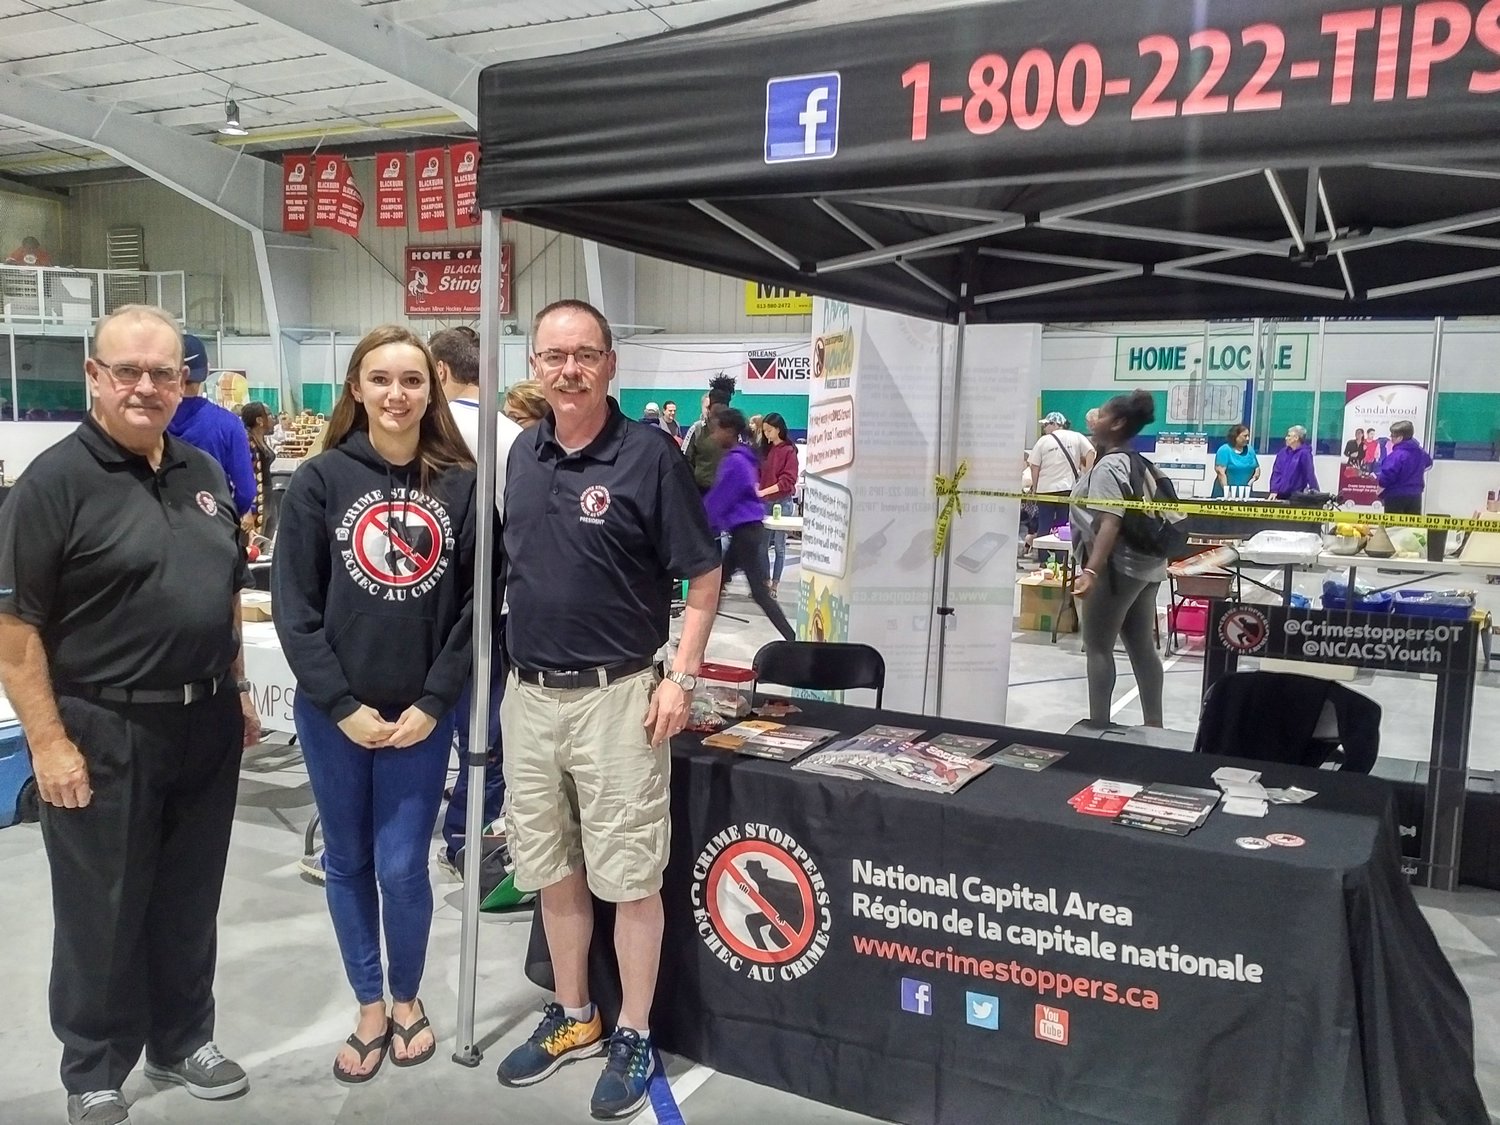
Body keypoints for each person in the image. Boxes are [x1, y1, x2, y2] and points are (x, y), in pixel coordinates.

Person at [0, 305, 260, 1125]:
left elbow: (220, 596)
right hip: (102, 728)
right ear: (95, 377)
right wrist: (48, 741)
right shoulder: (53, 484)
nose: (147, 386)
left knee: (189, 895)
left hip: (205, 719)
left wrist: (241, 688)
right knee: (102, 906)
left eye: (165, 372)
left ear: (185, 381)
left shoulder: (202, 472)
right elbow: (14, 631)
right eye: (128, 371)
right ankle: (93, 1064)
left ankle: (184, 1038)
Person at [495, 299, 721, 1119]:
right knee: (549, 866)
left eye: (584, 355)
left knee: (629, 876)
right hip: (529, 697)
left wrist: (681, 677)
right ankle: (575, 1013)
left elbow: (702, 575)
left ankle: (632, 1029)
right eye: (554, 355)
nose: (569, 369)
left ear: (610, 365)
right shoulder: (523, 455)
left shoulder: (650, 457)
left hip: (618, 697)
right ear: (534, 365)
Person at [272, 325, 478, 1083]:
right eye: (381, 379)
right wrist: (340, 703)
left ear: (434, 390)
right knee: (348, 861)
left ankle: (408, 995)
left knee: (401, 867)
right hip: (335, 716)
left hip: (422, 717)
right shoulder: (319, 481)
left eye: (413, 380)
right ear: (356, 388)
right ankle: (369, 1001)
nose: (397, 394)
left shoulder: (462, 484)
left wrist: (434, 700)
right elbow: (293, 608)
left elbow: (474, 609)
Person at [428, 326, 523, 876]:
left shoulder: (417, 430)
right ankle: (466, 839)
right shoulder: (509, 434)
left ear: (439, 372)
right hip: (489, 612)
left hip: (416, 608)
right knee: (482, 738)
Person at [1069, 390, 1166, 729]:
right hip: (1147, 568)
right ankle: (1154, 725)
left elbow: (1110, 521)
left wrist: (1091, 570)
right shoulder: (1134, 460)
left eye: (1103, 415)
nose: (1095, 420)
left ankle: (1099, 726)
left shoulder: (1111, 466)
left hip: (1116, 569)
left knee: (1097, 646)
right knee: (1141, 647)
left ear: (1119, 423)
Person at [706, 408, 797, 639]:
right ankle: (697, 637)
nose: (714, 436)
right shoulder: (743, 457)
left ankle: (793, 639)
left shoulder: (735, 462)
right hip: (745, 530)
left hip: (745, 532)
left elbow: (720, 499)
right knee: (722, 586)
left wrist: (702, 523)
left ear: (729, 431)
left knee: (757, 592)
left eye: (716, 430)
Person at [167, 335, 256, 517]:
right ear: (207, 371)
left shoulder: (150, 423)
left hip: (160, 524)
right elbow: (246, 491)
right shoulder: (228, 424)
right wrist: (227, 518)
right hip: (212, 525)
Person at [1028, 411, 1095, 548]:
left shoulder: (1043, 441)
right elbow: (1091, 452)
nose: (1044, 428)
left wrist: (1035, 487)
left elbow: (1034, 466)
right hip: (1068, 488)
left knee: (1044, 525)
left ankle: (1043, 559)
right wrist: (1088, 477)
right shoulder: (1077, 436)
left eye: (1046, 424)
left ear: (1054, 424)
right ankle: (1060, 559)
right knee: (1064, 526)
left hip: (1045, 490)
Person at [756, 412, 798, 597]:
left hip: (782, 502)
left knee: (780, 547)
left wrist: (764, 491)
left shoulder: (789, 451)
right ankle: (764, 582)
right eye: (764, 431)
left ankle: (775, 585)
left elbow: (788, 480)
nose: (766, 434)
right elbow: (758, 473)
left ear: (778, 429)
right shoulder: (765, 451)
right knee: (762, 546)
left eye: (769, 430)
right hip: (765, 503)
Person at [683, 374, 736, 492]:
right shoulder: (697, 429)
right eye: (714, 409)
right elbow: (684, 460)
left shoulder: (735, 432)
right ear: (710, 408)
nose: (717, 413)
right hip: (700, 491)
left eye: (722, 409)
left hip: (727, 490)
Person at [1376, 420, 1433, 516]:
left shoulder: (1397, 455)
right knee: (1412, 528)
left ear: (1400, 438)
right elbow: (1429, 464)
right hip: (1415, 495)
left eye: (1393, 436)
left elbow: (1388, 474)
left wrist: (1381, 486)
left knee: (1393, 528)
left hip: (1395, 495)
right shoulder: (1421, 453)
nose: (1391, 438)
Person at [239, 402, 276, 536]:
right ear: (259, 420)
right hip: (256, 497)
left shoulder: (262, 439)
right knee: (255, 540)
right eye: (269, 415)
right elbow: (242, 475)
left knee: (267, 537)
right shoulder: (246, 442)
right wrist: (247, 510)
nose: (273, 419)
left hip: (268, 493)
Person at [1268, 425, 1320, 499]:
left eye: (1289, 436)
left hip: (1295, 496)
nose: (1286, 438)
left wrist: (1317, 494)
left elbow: (1310, 474)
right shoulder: (1282, 453)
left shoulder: (1305, 454)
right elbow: (1276, 472)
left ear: (1296, 438)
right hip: (1279, 495)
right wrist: (1274, 490)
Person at [1213, 424, 1259, 497]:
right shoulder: (1224, 450)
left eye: (1248, 436)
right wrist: (1227, 493)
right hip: (1225, 494)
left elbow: (1256, 467)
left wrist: (1253, 479)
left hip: (1244, 494)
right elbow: (1221, 473)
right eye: (1245, 436)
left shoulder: (1250, 450)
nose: (1247, 438)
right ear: (1236, 436)